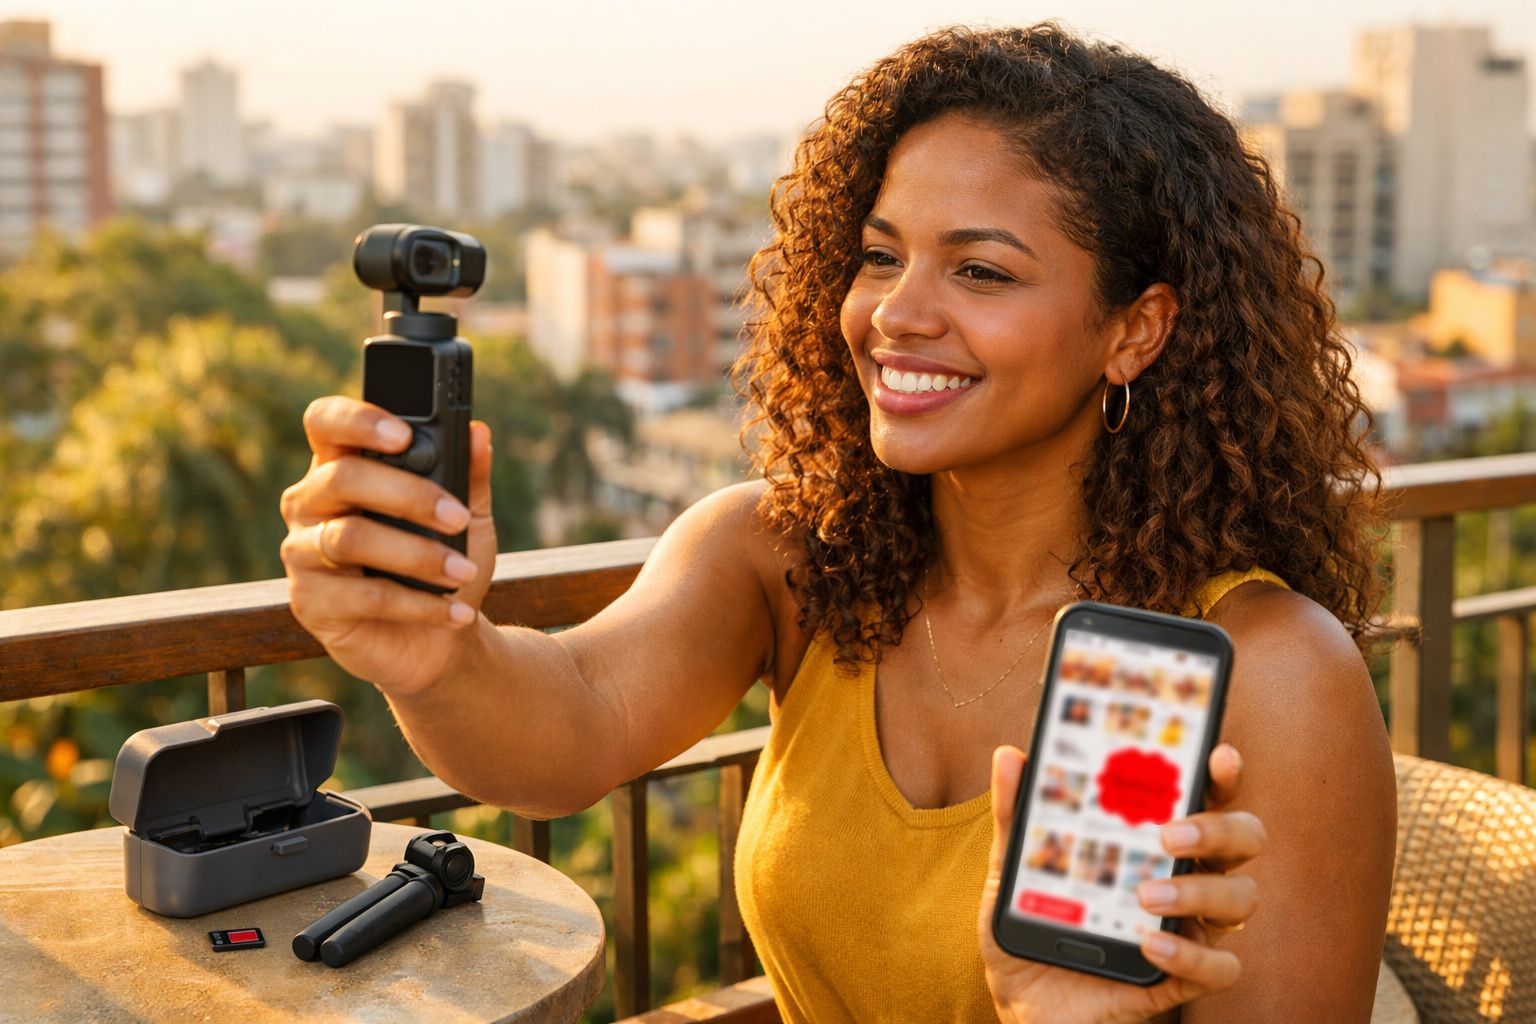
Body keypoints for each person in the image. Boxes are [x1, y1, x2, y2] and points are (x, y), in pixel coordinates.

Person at [279, 23, 1397, 1024]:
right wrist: (434, 654)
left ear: (1135, 331)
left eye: (980, 270)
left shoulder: (1271, 672)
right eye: (879, 254)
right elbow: (566, 728)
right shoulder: (785, 553)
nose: (897, 314)